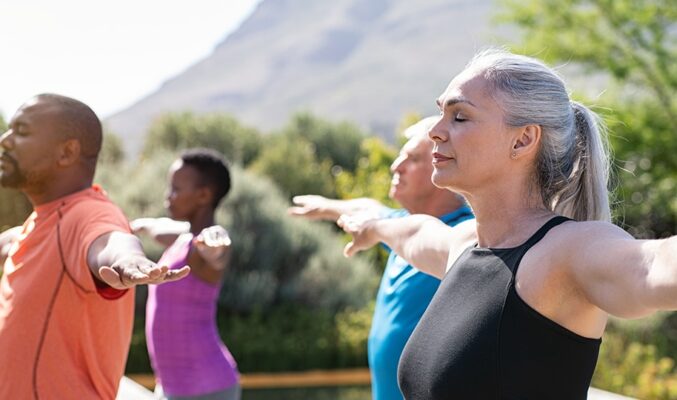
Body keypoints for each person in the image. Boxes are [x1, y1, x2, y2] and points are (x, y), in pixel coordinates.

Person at [337, 48, 677, 399]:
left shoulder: (566, 252)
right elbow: (414, 233)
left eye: (459, 117)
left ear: (523, 139)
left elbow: (653, 265)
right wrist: (372, 226)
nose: (435, 132)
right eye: (441, 114)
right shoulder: (465, 246)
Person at [0, 93, 190, 399]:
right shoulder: (42, 222)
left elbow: (110, 239)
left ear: (67, 152)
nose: (5, 141)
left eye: (21, 132)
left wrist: (128, 260)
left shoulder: (88, 213)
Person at [289, 117, 473, 400]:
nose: (395, 166)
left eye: (411, 159)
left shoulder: (467, 237)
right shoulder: (396, 228)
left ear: (444, 165)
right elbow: (367, 207)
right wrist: (327, 207)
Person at [131, 148, 240, 400]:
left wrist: (215, 249)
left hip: (207, 388)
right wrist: (134, 225)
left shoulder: (205, 245)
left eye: (176, 189)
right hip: (172, 388)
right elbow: (158, 227)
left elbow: (218, 252)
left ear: (203, 195)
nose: (168, 197)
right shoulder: (183, 238)